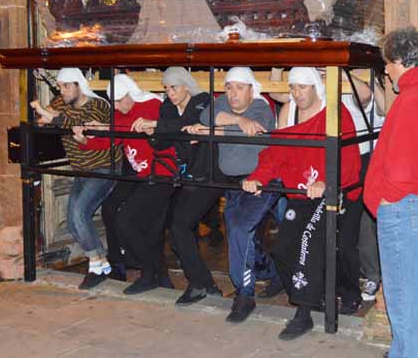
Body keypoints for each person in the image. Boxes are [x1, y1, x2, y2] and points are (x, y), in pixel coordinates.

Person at [242, 67, 362, 340]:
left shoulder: (335, 114)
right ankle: (313, 295)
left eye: (303, 87)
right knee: (283, 249)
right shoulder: (290, 112)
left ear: (315, 87)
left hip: (327, 194)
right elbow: (276, 153)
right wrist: (258, 177)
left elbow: (349, 157)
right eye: (293, 88)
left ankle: (304, 313)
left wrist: (328, 183)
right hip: (299, 194)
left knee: (309, 244)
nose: (297, 93)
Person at [364, 27, 418, 358]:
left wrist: (384, 199)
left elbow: (400, 169)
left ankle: (410, 353)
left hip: (405, 205)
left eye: (388, 63)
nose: (385, 70)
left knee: (403, 296)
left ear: (401, 61)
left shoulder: (413, 99)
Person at [184, 67, 277, 323]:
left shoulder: (261, 106)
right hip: (234, 183)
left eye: (239, 87)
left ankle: (244, 294)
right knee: (240, 233)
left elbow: (251, 131)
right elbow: (206, 116)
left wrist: (216, 129)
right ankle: (273, 271)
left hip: (261, 181)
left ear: (251, 88)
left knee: (239, 230)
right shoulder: (223, 103)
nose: (233, 93)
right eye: (229, 87)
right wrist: (236, 120)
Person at [73, 74, 177, 293]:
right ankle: (157, 275)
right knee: (147, 227)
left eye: (120, 100)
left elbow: (150, 126)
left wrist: (105, 127)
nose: (117, 106)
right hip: (143, 176)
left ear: (131, 94)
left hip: (161, 175)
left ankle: (151, 273)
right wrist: (86, 140)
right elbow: (111, 138)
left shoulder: (152, 104)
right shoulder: (121, 113)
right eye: (115, 102)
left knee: (128, 221)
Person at [30, 68, 121, 290]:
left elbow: (81, 123)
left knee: (80, 212)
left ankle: (94, 264)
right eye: (60, 86)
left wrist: (51, 114)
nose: (62, 91)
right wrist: (43, 117)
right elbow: (46, 119)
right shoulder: (61, 103)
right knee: (72, 220)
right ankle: (101, 263)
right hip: (81, 168)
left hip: (104, 167)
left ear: (79, 85)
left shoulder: (98, 105)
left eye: (66, 86)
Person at [148, 67, 225, 305]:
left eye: (174, 87)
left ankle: (199, 284)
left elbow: (191, 125)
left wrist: (162, 126)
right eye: (166, 88)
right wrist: (157, 130)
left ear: (186, 85)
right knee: (178, 226)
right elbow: (160, 143)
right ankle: (206, 284)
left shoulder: (203, 102)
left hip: (212, 174)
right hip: (188, 174)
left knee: (180, 226)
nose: (170, 93)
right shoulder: (167, 107)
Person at [342, 71, 386, 302]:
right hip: (350, 160)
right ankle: (365, 272)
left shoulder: (368, 83)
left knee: (368, 223)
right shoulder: (341, 85)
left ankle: (374, 274)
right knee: (354, 223)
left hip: (372, 160)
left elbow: (375, 103)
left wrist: (342, 70)